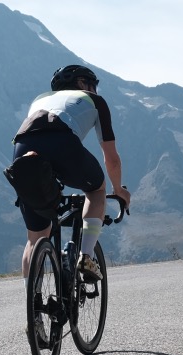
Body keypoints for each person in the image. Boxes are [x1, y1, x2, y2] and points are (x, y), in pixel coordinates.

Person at [12, 63, 131, 281]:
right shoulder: (94, 100)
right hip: (62, 141)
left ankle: (34, 305)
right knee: (97, 189)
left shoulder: (39, 99)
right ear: (82, 83)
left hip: (22, 148)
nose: (94, 89)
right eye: (92, 84)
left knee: (35, 238)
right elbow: (111, 159)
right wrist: (118, 189)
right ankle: (85, 256)